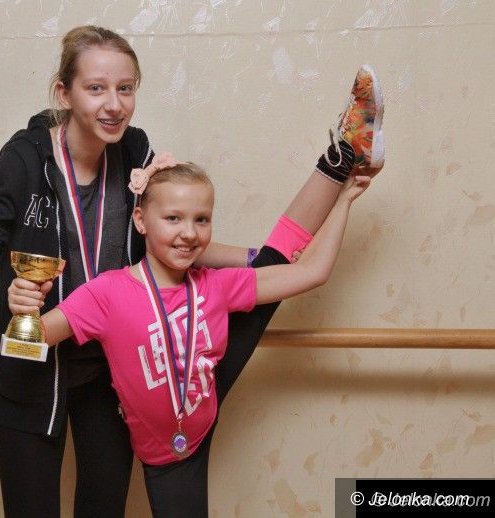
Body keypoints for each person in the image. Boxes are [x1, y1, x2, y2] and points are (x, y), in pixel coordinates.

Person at [0, 23, 383, 517]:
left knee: (104, 508)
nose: (113, 104)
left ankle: (343, 155)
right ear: (64, 94)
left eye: (125, 88)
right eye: (96, 88)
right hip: (34, 367)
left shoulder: (135, 151)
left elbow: (167, 235)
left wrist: (252, 258)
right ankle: (340, 160)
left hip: (109, 370)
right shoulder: (24, 160)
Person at [23, 160, 371, 517]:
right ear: (141, 221)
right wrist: (24, 304)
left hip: (204, 403)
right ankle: (338, 158)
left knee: (272, 262)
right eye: (173, 218)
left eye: (201, 219)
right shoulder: (106, 294)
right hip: (169, 454)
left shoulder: (217, 284)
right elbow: (27, 341)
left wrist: (344, 201)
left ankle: (338, 158)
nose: (189, 233)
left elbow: (313, 272)